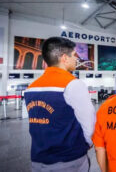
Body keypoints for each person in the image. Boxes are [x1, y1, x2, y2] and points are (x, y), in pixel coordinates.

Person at [24, 37, 95, 172]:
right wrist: (86, 144)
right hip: (69, 160)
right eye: (74, 55)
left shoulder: (31, 87)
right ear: (64, 58)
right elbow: (89, 123)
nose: (76, 59)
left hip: (38, 159)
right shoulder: (73, 84)